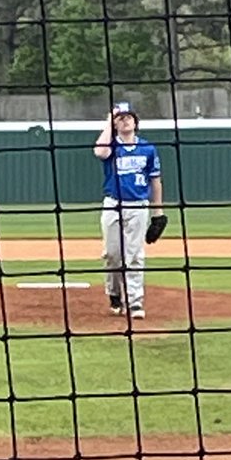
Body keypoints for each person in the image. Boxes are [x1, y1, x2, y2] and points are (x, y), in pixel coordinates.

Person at [93, 101, 168, 318]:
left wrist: (158, 213)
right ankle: (114, 293)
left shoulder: (147, 149)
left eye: (128, 117)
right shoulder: (112, 146)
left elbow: (156, 182)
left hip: (137, 206)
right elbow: (100, 152)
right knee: (111, 254)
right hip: (113, 203)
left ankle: (135, 302)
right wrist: (109, 121)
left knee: (134, 255)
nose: (125, 120)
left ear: (136, 122)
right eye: (120, 117)